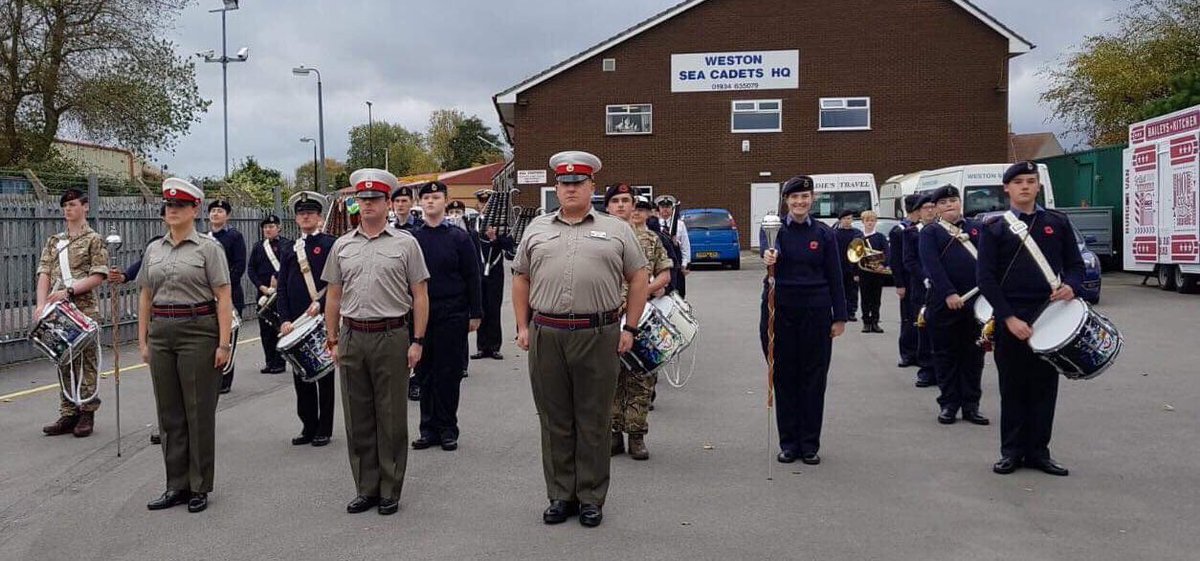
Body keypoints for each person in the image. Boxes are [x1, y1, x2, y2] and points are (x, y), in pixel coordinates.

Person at [512, 151, 648, 528]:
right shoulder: (537, 228)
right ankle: (560, 495)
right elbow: (520, 276)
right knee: (555, 418)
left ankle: (590, 496)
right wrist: (522, 326)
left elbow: (638, 277)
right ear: (556, 188)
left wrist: (630, 327)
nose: (571, 189)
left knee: (593, 418)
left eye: (578, 183)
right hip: (547, 333)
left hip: (598, 333)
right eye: (564, 183)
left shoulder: (617, 229)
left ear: (591, 188)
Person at [323, 168, 430, 516]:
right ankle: (365, 487)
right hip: (353, 336)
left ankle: (390, 487)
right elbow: (334, 296)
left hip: (391, 335)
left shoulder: (406, 244)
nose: (367, 205)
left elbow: (420, 293)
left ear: (388, 203)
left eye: (374, 199)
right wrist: (333, 337)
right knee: (358, 417)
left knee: (391, 416)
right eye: (362, 199)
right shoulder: (342, 245)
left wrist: (417, 340)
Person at [977, 161, 1084, 477]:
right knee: (1012, 386)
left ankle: (1039, 452)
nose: (1025, 186)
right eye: (1019, 181)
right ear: (1007, 188)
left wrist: (1072, 287)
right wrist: (1008, 318)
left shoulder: (1057, 223)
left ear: (1038, 186)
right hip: (1012, 318)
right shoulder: (995, 228)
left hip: (1050, 315)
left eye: (1031, 181)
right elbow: (986, 279)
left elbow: (1076, 267)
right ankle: (1011, 451)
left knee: (1044, 387)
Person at [139, 178, 234, 513]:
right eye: (168, 206)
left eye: (179, 206)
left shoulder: (208, 248)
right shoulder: (155, 249)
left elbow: (223, 296)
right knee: (170, 414)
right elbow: (146, 295)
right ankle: (175, 484)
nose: (172, 211)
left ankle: (199, 485)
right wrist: (143, 339)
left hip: (198, 330)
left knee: (197, 411)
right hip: (162, 331)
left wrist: (224, 344)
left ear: (195, 209)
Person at [760, 175, 848, 466]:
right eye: (794, 197)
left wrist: (840, 316)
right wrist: (770, 256)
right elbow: (769, 250)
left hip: (816, 311)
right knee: (784, 376)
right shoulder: (774, 228)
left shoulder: (824, 234)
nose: (800, 202)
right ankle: (789, 443)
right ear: (786, 201)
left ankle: (809, 444)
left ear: (812, 199)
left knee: (813, 378)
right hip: (781, 310)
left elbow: (836, 276)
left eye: (805, 197)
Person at [410, 181, 482, 452]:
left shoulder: (458, 237)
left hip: (452, 311)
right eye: (426, 198)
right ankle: (427, 429)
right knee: (424, 372)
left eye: (436, 197)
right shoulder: (413, 239)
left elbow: (472, 275)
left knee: (448, 373)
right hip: (421, 314)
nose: (430, 202)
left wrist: (476, 312)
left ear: (444, 201)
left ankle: (448, 428)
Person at [36, 188, 110, 438]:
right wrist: (40, 306)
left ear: (85, 207)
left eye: (73, 205)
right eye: (65, 206)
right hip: (57, 310)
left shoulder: (93, 239)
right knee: (63, 359)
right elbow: (44, 272)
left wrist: (69, 291)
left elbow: (99, 275)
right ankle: (69, 411)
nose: (68, 209)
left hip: (83, 308)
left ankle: (87, 411)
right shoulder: (55, 241)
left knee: (87, 361)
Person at [609, 193, 673, 461]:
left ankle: (636, 435)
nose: (622, 205)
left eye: (627, 201)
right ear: (608, 206)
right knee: (609, 378)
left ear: (634, 206)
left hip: (642, 316)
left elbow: (665, 273)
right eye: (616, 201)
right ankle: (612, 433)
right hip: (608, 317)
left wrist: (642, 291)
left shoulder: (650, 239)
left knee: (642, 376)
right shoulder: (597, 236)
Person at [918, 185, 989, 426]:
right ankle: (948, 404)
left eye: (953, 200)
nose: (949, 205)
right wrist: (948, 293)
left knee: (973, 355)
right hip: (943, 303)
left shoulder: (977, 229)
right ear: (936, 208)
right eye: (944, 202)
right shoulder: (931, 232)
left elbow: (988, 262)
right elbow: (932, 265)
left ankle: (971, 405)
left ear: (960, 202)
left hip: (976, 303)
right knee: (945, 355)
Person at [277, 192, 338, 447]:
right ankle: (308, 425)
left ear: (319, 217)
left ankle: (324, 427)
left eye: (310, 213)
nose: (305, 216)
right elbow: (282, 287)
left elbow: (337, 283)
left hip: (321, 318)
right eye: (301, 213)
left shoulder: (329, 244)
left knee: (323, 373)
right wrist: (284, 318)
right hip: (297, 322)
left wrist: (321, 305)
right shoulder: (290, 248)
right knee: (301, 374)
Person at [207, 199, 246, 394]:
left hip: (229, 294)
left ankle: (225, 379)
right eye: (213, 211)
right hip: (207, 296)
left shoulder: (234, 237)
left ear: (227, 216)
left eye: (220, 211)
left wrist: (222, 286)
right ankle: (212, 378)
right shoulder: (203, 238)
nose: (215, 214)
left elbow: (239, 265)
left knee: (227, 336)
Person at [471, 189, 514, 360]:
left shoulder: (501, 225)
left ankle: (494, 346)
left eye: (487, 202)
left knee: (494, 308)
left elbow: (509, 245)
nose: (484, 206)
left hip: (495, 270)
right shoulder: (472, 223)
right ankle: (482, 347)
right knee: (481, 308)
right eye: (482, 203)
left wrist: (495, 238)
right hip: (478, 270)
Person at [903, 195, 938, 387]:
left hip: (942, 289)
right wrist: (924, 277)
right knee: (922, 329)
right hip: (921, 288)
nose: (930, 211)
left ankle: (941, 369)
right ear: (918, 211)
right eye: (926, 208)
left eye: (933, 206)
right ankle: (926, 369)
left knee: (940, 331)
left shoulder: (944, 231)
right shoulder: (911, 233)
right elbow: (909, 261)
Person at [248, 214, 289, 374]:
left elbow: (289, 266)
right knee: (265, 330)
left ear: (278, 228)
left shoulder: (287, 245)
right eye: (265, 227)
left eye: (271, 227)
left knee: (279, 328)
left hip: (281, 294)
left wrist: (278, 280)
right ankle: (269, 361)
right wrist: (261, 286)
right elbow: (251, 269)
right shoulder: (258, 247)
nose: (268, 230)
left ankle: (280, 362)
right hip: (264, 294)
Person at [890, 196, 921, 367]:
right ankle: (907, 353)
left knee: (921, 317)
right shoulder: (899, 230)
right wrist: (899, 283)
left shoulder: (923, 228)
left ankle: (920, 351)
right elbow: (895, 260)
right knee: (908, 318)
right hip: (907, 279)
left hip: (920, 279)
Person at [857, 210, 889, 334]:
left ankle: (875, 322)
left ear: (875, 222)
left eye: (872, 221)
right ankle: (866, 322)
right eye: (867, 221)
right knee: (865, 298)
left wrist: (883, 265)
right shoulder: (859, 238)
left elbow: (887, 252)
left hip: (877, 272)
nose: (870, 223)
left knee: (876, 298)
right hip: (864, 272)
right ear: (863, 222)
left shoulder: (880, 237)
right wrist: (855, 273)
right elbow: (855, 256)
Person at [655, 196, 690, 297]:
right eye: (662, 207)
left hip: (676, 261)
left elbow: (685, 245)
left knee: (679, 292)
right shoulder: (654, 224)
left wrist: (685, 264)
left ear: (672, 208)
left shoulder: (680, 224)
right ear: (659, 208)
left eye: (668, 206)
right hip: (660, 261)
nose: (665, 209)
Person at [833, 209, 864, 322]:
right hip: (839, 266)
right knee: (839, 290)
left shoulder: (857, 233)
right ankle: (840, 312)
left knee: (852, 291)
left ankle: (851, 312)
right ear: (841, 220)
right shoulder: (835, 234)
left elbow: (860, 252)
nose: (848, 221)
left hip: (852, 267)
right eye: (845, 219)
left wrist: (857, 271)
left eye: (850, 218)